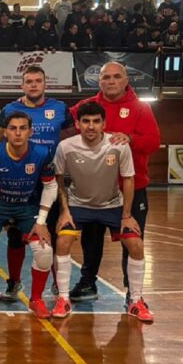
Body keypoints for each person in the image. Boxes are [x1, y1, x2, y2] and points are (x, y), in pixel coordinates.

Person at [52, 101, 153, 322]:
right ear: (77, 123)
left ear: (104, 124)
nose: (91, 126)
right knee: (62, 241)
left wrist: (126, 215)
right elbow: (58, 179)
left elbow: (128, 179)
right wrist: (65, 211)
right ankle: (62, 298)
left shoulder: (118, 145)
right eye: (86, 121)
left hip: (112, 206)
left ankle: (136, 300)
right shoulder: (66, 146)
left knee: (136, 244)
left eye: (96, 121)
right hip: (78, 206)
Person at [68, 62, 160, 302]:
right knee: (91, 241)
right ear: (99, 81)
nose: (111, 81)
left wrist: (129, 138)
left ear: (126, 79)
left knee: (131, 241)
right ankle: (88, 283)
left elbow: (152, 141)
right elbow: (63, 119)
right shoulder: (87, 106)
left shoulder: (140, 108)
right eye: (106, 77)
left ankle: (133, 291)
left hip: (132, 188)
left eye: (116, 76)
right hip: (95, 191)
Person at [0, 65, 74, 300]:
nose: (33, 85)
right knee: (16, 235)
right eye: (29, 81)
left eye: (37, 81)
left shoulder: (59, 108)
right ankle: (14, 283)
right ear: (22, 85)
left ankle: (57, 284)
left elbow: (70, 139)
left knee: (49, 233)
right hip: (20, 180)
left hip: (49, 179)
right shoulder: (10, 109)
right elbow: (0, 138)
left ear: (44, 83)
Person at [0, 111, 57, 319]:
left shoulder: (42, 153)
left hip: (28, 206)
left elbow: (50, 185)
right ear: (5, 132)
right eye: (13, 128)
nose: (18, 133)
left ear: (31, 132)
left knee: (44, 250)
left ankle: (36, 300)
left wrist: (42, 221)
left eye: (23, 128)